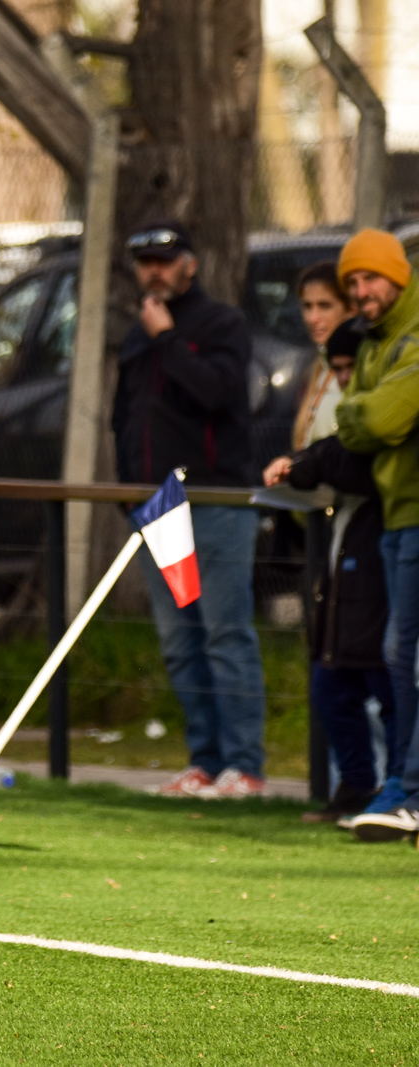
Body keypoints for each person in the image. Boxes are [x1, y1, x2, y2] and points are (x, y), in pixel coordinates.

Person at [110, 219, 267, 799]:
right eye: (144, 262)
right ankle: (205, 761)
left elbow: (218, 394)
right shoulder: (137, 335)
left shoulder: (220, 324)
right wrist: (129, 491)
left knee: (226, 634)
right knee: (180, 642)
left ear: (190, 265)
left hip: (215, 499)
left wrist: (169, 339)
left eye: (164, 260)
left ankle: (244, 767)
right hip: (156, 506)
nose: (154, 271)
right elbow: (124, 418)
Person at [263, 319, 390, 823]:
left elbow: (354, 461)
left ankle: (395, 791)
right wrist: (303, 464)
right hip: (345, 550)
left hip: (380, 556)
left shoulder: (386, 406)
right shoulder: (343, 408)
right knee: (331, 684)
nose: (342, 378)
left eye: (348, 367)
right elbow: (336, 450)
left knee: (385, 684)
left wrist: (307, 465)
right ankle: (356, 787)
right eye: (334, 368)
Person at [327, 230, 419, 841]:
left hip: (414, 512)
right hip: (395, 512)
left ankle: (408, 790)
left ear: (398, 274)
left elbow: (380, 417)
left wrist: (366, 414)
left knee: (406, 657)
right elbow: (352, 419)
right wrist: (365, 414)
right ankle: (401, 786)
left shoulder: (412, 333)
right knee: (397, 658)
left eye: (370, 277)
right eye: (352, 282)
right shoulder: (373, 341)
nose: (361, 291)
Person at [291, 262, 358, 452]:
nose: (313, 318)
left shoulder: (363, 363)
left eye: (325, 306)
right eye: (307, 306)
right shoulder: (317, 366)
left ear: (351, 308)